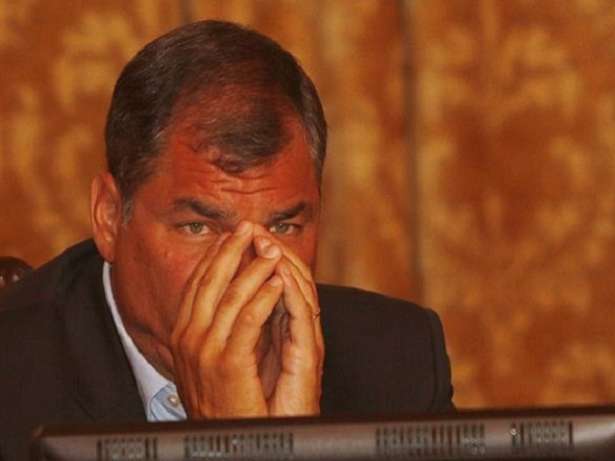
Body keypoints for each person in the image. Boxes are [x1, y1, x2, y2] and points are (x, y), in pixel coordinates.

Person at [0, 20, 453, 461]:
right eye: (200, 228)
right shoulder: (13, 386)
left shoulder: (397, 363)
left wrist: (297, 444)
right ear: (110, 217)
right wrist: (230, 444)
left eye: (283, 227)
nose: (247, 273)